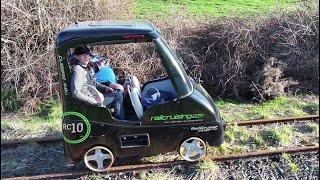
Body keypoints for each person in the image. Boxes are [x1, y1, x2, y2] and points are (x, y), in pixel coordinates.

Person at [70, 46, 124, 119]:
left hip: (95, 96)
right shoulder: (78, 70)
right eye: (83, 55)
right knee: (118, 96)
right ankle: (120, 121)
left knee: (118, 92)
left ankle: (114, 117)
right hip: (89, 103)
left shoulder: (86, 68)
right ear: (77, 57)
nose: (86, 57)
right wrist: (93, 101)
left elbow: (93, 83)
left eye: (87, 54)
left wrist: (105, 88)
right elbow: (76, 93)